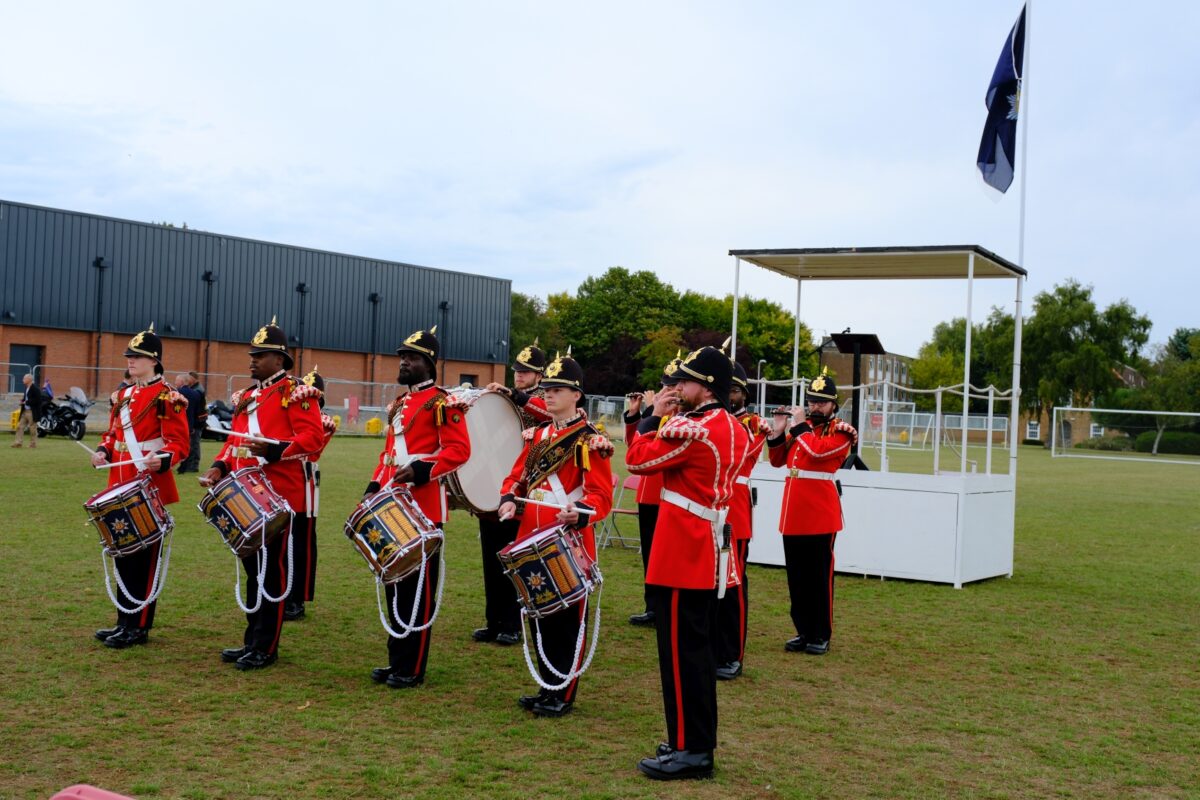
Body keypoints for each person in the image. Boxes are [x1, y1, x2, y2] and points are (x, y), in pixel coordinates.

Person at [626, 345, 750, 781]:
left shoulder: (694, 430)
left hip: (684, 551)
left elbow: (638, 459)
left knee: (682, 657)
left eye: (686, 381)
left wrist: (653, 416)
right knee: (692, 653)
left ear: (708, 386)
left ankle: (693, 750)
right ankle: (686, 739)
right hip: (704, 549)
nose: (678, 387)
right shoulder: (730, 425)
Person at [200, 317, 325, 671]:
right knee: (252, 571)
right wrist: (218, 466)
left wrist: (274, 451)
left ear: (281, 360)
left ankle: (266, 646)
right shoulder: (248, 397)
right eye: (253, 354)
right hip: (246, 494)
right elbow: (234, 442)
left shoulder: (296, 393)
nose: (253, 360)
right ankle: (251, 640)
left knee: (272, 573)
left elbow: (312, 440)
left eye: (262, 355)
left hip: (278, 496)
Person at [498, 349, 613, 718]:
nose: (548, 395)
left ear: (576, 394)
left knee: (566, 621)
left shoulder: (589, 440)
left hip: (568, 539)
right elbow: (518, 476)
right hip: (532, 532)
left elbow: (601, 496)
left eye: (557, 389)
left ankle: (562, 693)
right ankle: (546, 686)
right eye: (546, 388)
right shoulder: (538, 435)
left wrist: (579, 513)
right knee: (539, 613)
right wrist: (508, 498)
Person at [364, 325, 471, 689]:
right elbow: (389, 455)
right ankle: (397, 660)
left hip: (424, 506)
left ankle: (412, 667)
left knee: (418, 590)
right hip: (392, 501)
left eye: (410, 358)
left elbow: (458, 451)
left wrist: (424, 470)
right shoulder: (399, 403)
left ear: (428, 363)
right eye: (402, 357)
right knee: (394, 581)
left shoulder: (443, 402)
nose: (404, 362)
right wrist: (374, 486)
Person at [90, 325, 190, 648]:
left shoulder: (167, 398)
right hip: (118, 482)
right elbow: (113, 434)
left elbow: (179, 444)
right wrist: (104, 450)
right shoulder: (123, 395)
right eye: (129, 356)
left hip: (148, 485)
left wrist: (160, 459)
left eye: (138, 356)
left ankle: (139, 626)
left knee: (144, 559)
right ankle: (123, 620)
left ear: (154, 361)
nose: (130, 361)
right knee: (122, 554)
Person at [766, 368, 857, 656]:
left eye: (821, 401)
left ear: (834, 405)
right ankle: (803, 630)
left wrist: (799, 426)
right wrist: (778, 433)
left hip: (820, 515)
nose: (815, 406)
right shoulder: (800, 430)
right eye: (812, 400)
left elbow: (818, 453)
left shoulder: (840, 432)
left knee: (818, 578)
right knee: (797, 578)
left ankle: (821, 633)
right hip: (793, 513)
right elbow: (777, 461)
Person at [474, 340, 552, 645]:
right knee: (491, 559)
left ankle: (513, 624)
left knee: (512, 559)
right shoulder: (506, 397)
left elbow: (547, 414)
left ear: (539, 375)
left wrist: (516, 396)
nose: (519, 375)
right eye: (517, 370)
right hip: (497, 484)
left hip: (523, 488)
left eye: (527, 371)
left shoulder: (544, 398)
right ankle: (494, 621)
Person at [714, 360, 769, 680]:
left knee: (733, 586)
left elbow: (740, 455)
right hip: (710, 507)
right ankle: (713, 645)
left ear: (744, 394)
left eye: (734, 390)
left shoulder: (752, 423)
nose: (728, 395)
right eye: (725, 389)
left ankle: (732, 653)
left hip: (734, 508)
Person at [622, 350, 683, 626]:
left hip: (667, 493)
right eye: (664, 385)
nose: (664, 390)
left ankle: (667, 606)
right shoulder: (660, 411)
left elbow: (660, 440)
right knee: (650, 553)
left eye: (670, 386)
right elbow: (635, 445)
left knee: (667, 556)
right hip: (648, 492)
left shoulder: (680, 415)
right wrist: (635, 416)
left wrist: (652, 411)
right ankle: (652, 605)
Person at [283, 365, 338, 621]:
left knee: (301, 543)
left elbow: (310, 450)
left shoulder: (324, 421)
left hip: (304, 482)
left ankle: (297, 598)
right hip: (285, 479)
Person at [174, 373, 203, 472]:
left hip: (179, 424)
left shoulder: (177, 393)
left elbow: (175, 410)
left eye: (176, 380)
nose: (175, 382)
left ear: (181, 382)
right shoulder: (196, 394)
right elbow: (197, 411)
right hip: (191, 424)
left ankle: (181, 465)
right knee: (190, 446)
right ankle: (188, 465)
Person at [12, 374, 45, 448]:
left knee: (32, 428)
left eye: (24, 378)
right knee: (20, 427)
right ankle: (18, 443)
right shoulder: (26, 388)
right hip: (25, 411)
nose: (22, 380)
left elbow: (38, 400)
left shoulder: (35, 389)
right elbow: (27, 398)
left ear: (29, 379)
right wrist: (22, 401)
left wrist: (26, 402)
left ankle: (33, 444)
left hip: (32, 412)